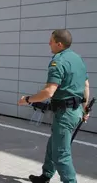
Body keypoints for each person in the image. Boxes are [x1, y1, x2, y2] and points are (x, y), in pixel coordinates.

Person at [18, 29, 90, 183]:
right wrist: (84, 108)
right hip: (75, 110)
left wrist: (28, 99)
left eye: (51, 40)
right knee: (53, 145)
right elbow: (86, 85)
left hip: (65, 114)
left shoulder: (58, 61)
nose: (48, 43)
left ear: (59, 44)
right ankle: (46, 175)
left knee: (61, 154)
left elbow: (49, 92)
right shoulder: (77, 59)